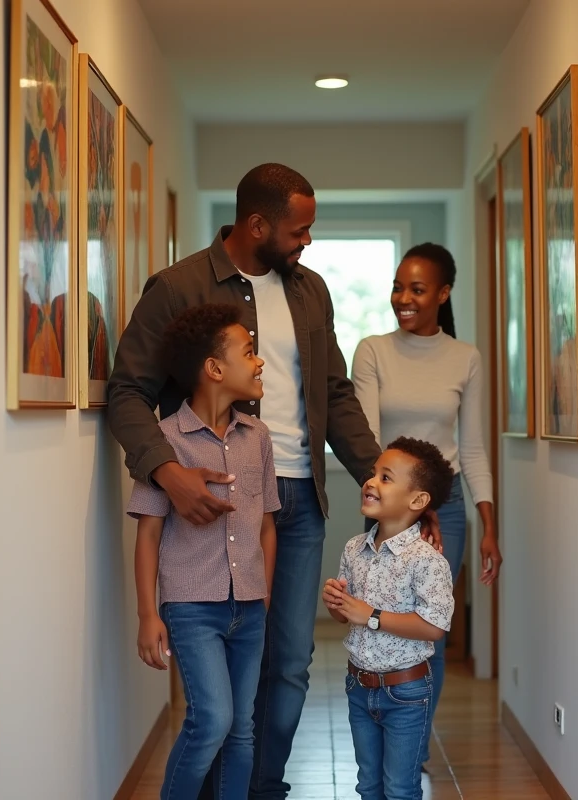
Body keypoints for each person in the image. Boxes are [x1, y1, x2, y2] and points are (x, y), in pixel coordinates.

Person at [108, 163, 439, 799]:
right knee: (226, 683)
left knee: (287, 664)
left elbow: (335, 395)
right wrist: (169, 473)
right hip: (216, 503)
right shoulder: (178, 287)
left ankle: (262, 789)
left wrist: (393, 491)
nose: (308, 241)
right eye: (299, 230)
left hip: (298, 500)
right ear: (257, 225)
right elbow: (127, 392)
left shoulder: (311, 291)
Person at [350, 242, 504, 770]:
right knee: (379, 624)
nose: (403, 299)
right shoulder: (373, 350)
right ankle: (379, 740)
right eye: (398, 288)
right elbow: (370, 442)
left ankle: (410, 751)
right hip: (391, 505)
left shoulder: (466, 358)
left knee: (427, 629)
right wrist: (410, 504)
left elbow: (473, 448)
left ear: (443, 293)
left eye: (417, 289)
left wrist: (488, 524)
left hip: (449, 507)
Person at [128, 304, 278, 799]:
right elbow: (148, 534)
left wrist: (263, 594)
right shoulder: (166, 442)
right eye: (249, 352)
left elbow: (267, 524)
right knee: (212, 720)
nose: (259, 361)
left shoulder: (258, 438)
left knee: (241, 730)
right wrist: (148, 615)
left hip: (249, 606)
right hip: (191, 608)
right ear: (214, 368)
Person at [323, 437, 456, 800]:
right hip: (358, 686)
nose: (370, 482)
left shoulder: (427, 560)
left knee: (399, 789)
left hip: (406, 693)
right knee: (368, 786)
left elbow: (434, 626)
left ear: (417, 500)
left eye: (386, 477)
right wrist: (337, 604)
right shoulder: (354, 548)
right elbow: (345, 617)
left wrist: (372, 616)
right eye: (373, 473)